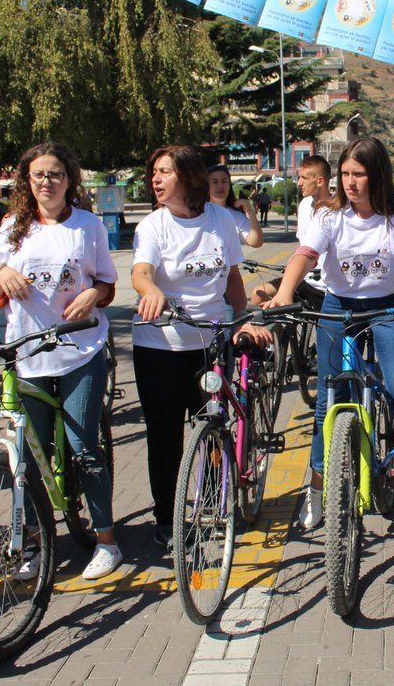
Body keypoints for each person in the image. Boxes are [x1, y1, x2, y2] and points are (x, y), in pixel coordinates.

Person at [263, 137, 394, 527]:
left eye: (359, 174)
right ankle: (317, 491)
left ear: (378, 176)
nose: (350, 182)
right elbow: (305, 254)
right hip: (339, 307)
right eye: (345, 174)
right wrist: (284, 292)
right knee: (328, 399)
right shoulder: (329, 215)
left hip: (388, 306)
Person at [0, 141, 123, 580]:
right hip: (28, 354)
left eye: (56, 174)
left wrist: (92, 294)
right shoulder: (10, 229)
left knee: (84, 449)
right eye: (39, 174)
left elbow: (106, 284)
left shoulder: (88, 226)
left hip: (80, 348)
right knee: (28, 455)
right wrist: (0, 275)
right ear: (27, 179)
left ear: (70, 180)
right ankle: (35, 542)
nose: (47, 182)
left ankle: (107, 541)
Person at [132, 146, 272, 549]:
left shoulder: (221, 221)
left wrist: (242, 317)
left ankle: (212, 504)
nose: (156, 180)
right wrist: (152, 288)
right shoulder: (153, 226)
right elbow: (141, 272)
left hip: (210, 343)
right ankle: (167, 518)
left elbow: (231, 278)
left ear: (189, 178)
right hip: (159, 345)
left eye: (165, 172)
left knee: (212, 425)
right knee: (164, 436)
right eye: (153, 172)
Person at [249, 155, 333, 306]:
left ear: (320, 181)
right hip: (303, 280)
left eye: (304, 178)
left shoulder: (336, 211)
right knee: (258, 295)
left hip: (325, 286)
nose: (299, 183)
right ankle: (287, 330)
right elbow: (302, 246)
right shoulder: (304, 205)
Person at [208, 164, 264, 248]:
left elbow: (256, 242)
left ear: (229, 186)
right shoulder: (196, 214)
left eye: (224, 181)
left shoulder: (236, 216)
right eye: (215, 182)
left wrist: (251, 213)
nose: (220, 186)